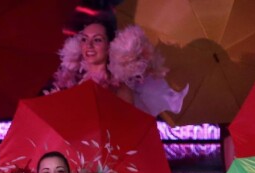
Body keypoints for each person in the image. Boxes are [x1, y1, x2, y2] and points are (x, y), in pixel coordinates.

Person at [51, 10, 188, 117]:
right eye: (84, 39)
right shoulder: (75, 83)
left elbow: (128, 129)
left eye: (97, 40)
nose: (89, 45)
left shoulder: (121, 89)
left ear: (109, 45)